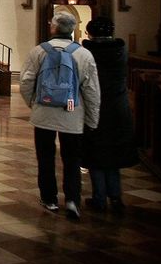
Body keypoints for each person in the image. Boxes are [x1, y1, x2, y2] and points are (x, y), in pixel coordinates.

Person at [21, 12, 101, 219]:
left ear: (53, 28)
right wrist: (92, 119)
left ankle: (49, 199)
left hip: (44, 114)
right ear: (73, 29)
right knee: (72, 159)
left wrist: (33, 104)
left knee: (45, 157)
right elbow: (92, 91)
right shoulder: (84, 54)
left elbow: (26, 82)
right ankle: (73, 200)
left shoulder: (39, 51)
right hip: (72, 113)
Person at [81, 16, 137, 212]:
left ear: (90, 33)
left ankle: (99, 198)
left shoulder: (87, 53)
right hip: (117, 108)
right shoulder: (120, 51)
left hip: (95, 109)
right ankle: (115, 197)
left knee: (95, 154)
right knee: (113, 155)